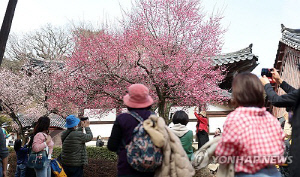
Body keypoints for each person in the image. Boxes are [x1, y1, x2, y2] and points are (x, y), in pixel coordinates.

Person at [215, 72, 285, 177]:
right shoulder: (271, 118)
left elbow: (224, 153)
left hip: (247, 172)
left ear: (237, 93)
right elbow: (280, 148)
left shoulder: (235, 118)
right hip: (273, 172)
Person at [107, 84, 155, 177]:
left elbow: (112, 146)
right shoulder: (154, 118)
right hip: (150, 168)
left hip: (126, 168)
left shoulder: (122, 119)